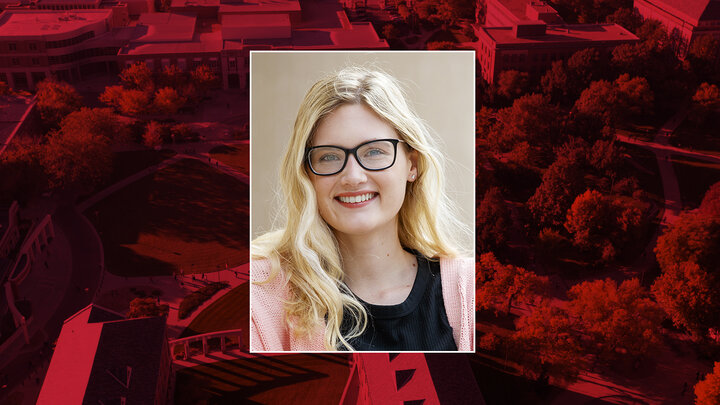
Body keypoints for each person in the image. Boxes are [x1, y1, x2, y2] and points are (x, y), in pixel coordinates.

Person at [251, 67, 473, 351]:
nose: (353, 176)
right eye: (329, 156)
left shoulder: (468, 290)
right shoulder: (258, 293)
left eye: (375, 151)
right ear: (307, 173)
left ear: (412, 164)